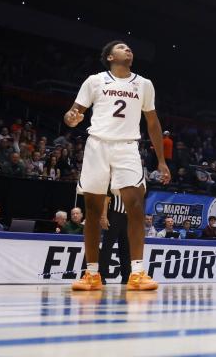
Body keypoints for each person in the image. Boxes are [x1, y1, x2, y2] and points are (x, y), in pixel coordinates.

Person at [64, 40, 170, 291]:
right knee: (92, 209)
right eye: (122, 47)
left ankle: (137, 273)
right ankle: (92, 274)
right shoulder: (94, 81)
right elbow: (73, 114)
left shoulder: (144, 84)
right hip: (97, 145)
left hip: (127, 147)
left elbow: (153, 123)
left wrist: (162, 160)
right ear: (110, 57)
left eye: (130, 48)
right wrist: (70, 119)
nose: (128, 49)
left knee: (135, 205)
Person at [99, 191, 131, 285]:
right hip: (114, 215)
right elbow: (106, 200)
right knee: (107, 247)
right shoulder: (114, 180)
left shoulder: (132, 183)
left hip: (128, 217)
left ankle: (126, 277)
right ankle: (101, 276)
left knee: (126, 249)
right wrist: (104, 217)